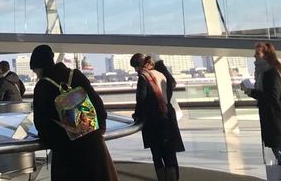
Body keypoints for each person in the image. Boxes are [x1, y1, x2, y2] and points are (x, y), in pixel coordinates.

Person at [30, 43, 118, 181]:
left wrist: (54, 142)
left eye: (35, 71)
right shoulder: (75, 75)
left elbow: (41, 123)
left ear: (38, 67)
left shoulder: (42, 86)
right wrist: (96, 131)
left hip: (67, 154)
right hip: (93, 146)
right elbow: (98, 106)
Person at [245, 42, 281, 180]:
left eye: (257, 54)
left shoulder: (271, 74)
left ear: (266, 56)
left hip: (277, 119)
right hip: (271, 118)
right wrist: (252, 91)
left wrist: (252, 92)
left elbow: (272, 97)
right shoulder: (263, 74)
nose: (255, 57)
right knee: (279, 152)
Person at [130, 54, 183, 181]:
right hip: (167, 117)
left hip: (153, 121)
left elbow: (141, 100)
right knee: (170, 154)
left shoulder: (144, 77)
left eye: (135, 67)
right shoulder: (161, 74)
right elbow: (170, 89)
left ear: (139, 65)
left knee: (157, 155)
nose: (136, 70)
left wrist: (137, 116)